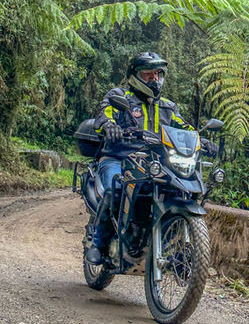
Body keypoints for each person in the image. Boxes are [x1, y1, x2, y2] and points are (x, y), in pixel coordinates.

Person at [86, 51, 217, 264]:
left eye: (157, 74)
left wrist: (202, 141)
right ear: (134, 75)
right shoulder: (120, 97)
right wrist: (109, 127)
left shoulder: (168, 107)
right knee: (116, 188)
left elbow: (185, 129)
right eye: (148, 74)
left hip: (154, 163)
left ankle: (170, 245)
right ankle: (99, 244)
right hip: (118, 158)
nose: (154, 79)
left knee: (179, 190)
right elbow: (104, 114)